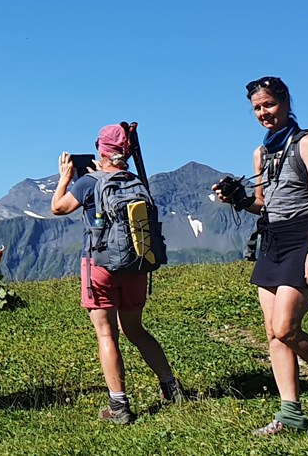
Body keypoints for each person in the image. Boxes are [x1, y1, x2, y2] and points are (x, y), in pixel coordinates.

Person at [211, 77, 308, 435]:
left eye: (269, 105)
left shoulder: (306, 143)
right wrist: (239, 199)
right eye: (258, 108)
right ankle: (291, 413)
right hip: (272, 240)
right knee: (273, 334)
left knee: (286, 328)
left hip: (303, 238)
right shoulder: (261, 153)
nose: (264, 113)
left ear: (286, 101)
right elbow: (263, 204)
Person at [50, 123, 183, 425]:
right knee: (135, 330)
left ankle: (119, 407)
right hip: (136, 266)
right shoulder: (136, 181)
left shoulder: (89, 183)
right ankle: (170, 386)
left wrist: (65, 178)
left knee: (106, 333)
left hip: (100, 267)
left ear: (101, 149)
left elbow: (58, 208)